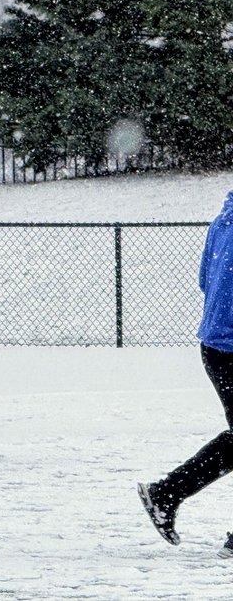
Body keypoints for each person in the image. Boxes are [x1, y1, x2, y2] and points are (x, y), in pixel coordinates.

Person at [139, 189, 233, 556]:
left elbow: (204, 280)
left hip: (215, 346)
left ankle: (166, 493)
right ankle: (166, 493)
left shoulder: (221, 221)